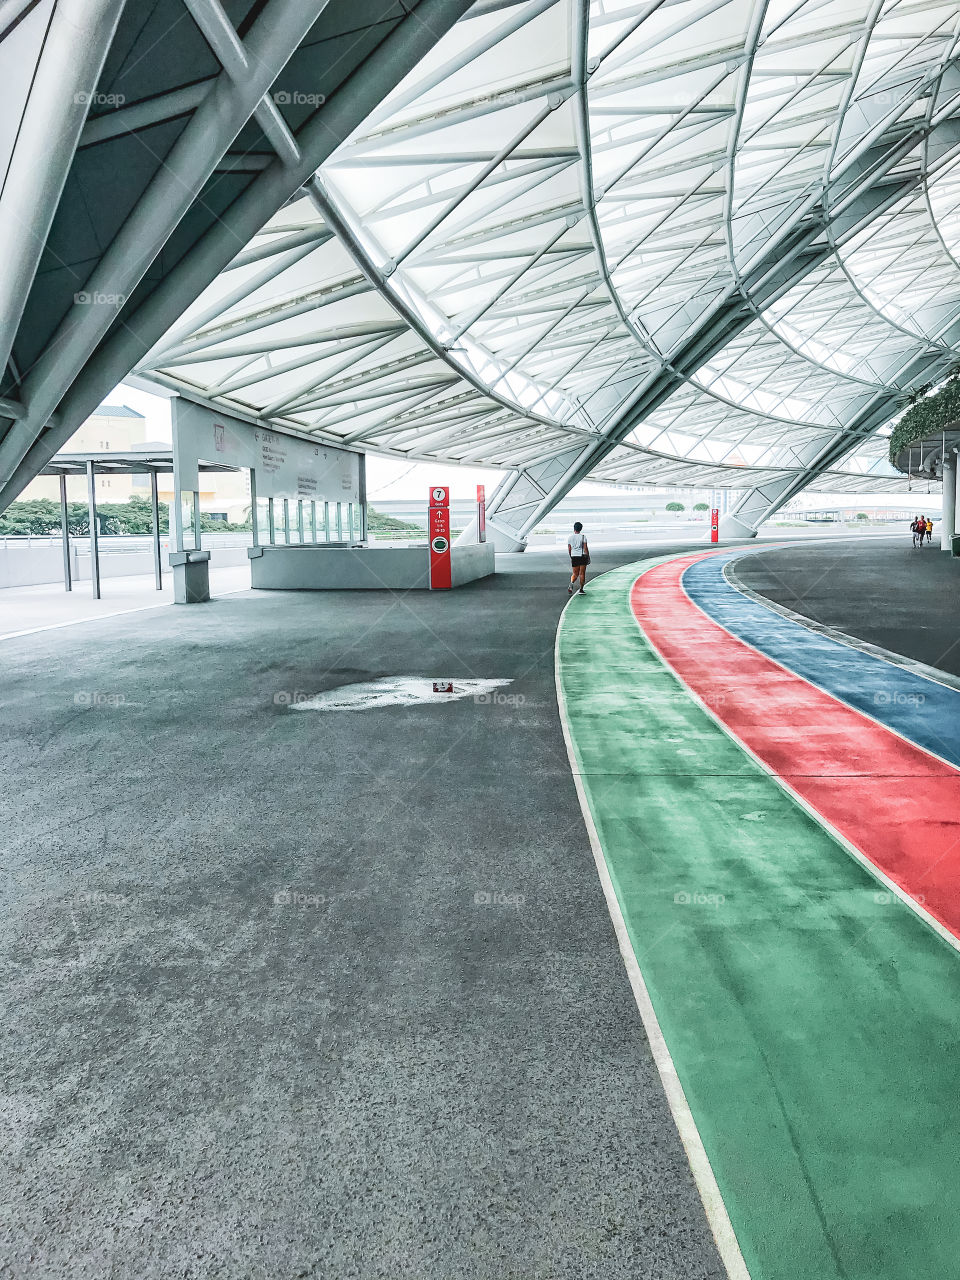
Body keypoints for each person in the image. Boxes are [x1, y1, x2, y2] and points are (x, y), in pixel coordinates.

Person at [567, 521, 589, 595]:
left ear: (574, 528)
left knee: (575, 573)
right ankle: (581, 590)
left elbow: (569, 549)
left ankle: (571, 584)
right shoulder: (583, 537)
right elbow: (585, 548)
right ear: (581, 529)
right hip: (582, 556)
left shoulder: (570, 537)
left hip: (574, 556)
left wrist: (571, 556)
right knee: (582, 574)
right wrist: (588, 556)